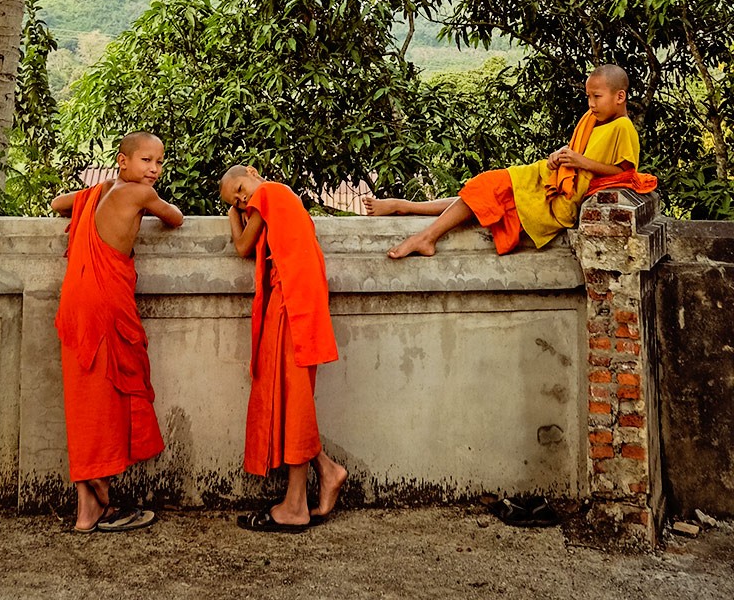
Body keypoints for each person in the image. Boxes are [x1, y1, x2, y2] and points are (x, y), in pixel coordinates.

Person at [367, 64, 651, 259]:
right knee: (482, 194)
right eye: (588, 97)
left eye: (597, 97)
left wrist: (579, 162)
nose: (590, 104)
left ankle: (423, 233)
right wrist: (562, 155)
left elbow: (623, 174)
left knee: (484, 191)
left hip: (556, 200)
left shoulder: (623, 128)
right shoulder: (593, 119)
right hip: (546, 178)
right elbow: (579, 151)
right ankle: (407, 209)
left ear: (619, 96)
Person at [52, 131, 183, 533]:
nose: (155, 170)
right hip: (104, 302)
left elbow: (58, 203)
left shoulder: (103, 190)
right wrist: (136, 195)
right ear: (123, 161)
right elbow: (175, 217)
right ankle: (101, 488)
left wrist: (102, 187)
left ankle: (87, 510)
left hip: (76, 296)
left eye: (159, 162)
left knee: (85, 393)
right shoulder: (139, 194)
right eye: (146, 161)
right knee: (105, 395)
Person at [221, 164, 348, 533]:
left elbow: (243, 246)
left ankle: (296, 505)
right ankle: (326, 471)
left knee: (296, 400)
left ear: (253, 172)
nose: (243, 200)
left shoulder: (270, 192)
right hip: (296, 296)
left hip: (294, 298)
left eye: (240, 190)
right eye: (236, 200)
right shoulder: (278, 199)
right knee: (293, 396)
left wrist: (232, 215)